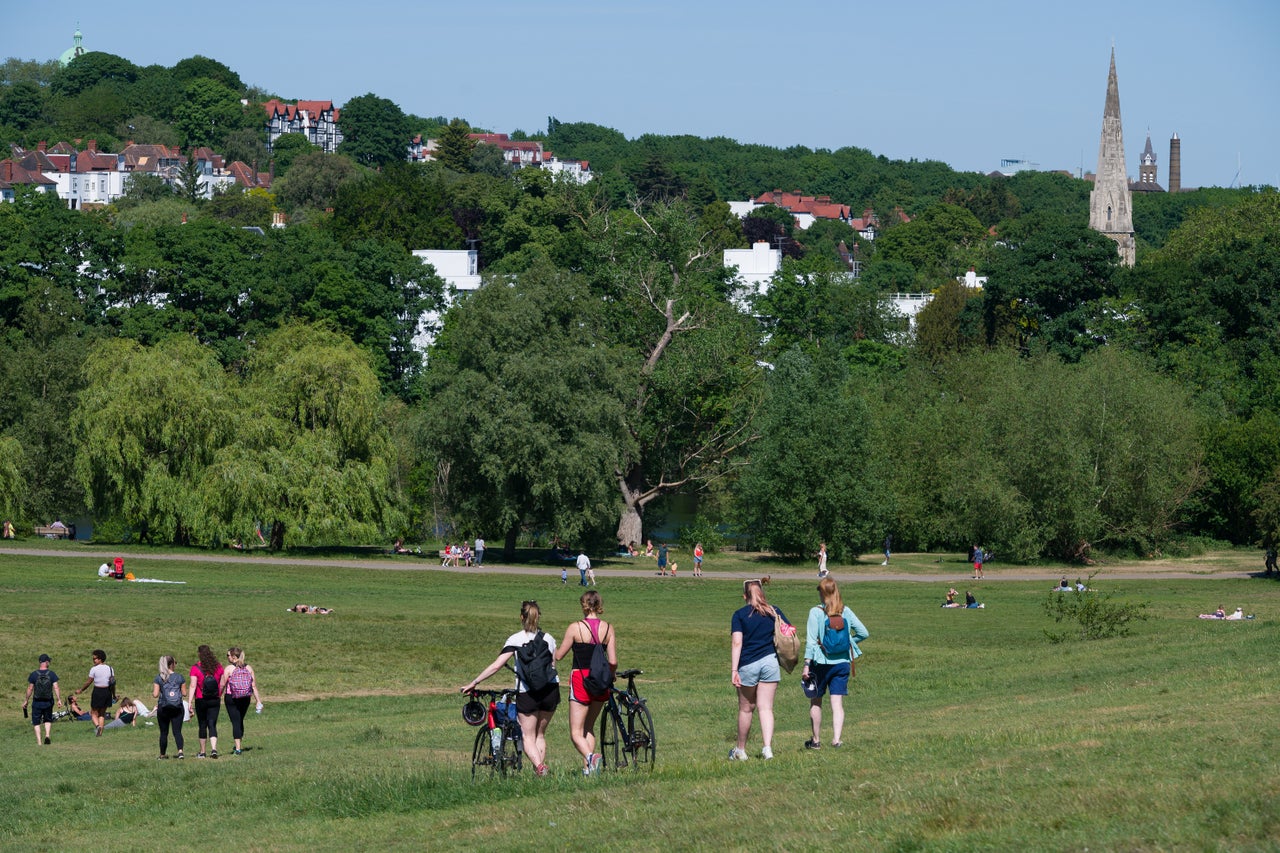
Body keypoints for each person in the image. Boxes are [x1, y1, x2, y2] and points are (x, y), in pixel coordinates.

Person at [459, 600, 560, 777]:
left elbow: (496, 666)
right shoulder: (549, 639)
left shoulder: (515, 639)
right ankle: (541, 772)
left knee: (527, 736)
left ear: (521, 617)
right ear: (538, 616)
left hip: (527, 692)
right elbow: (553, 665)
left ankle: (540, 767)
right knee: (540, 735)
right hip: (551, 689)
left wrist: (474, 682)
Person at [554, 590, 618, 776]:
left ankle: (591, 757)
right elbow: (613, 661)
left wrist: (551, 648)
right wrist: (610, 675)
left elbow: (559, 655)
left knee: (576, 732)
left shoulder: (575, 627)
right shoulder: (608, 628)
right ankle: (589, 770)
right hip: (600, 680)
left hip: (581, 679)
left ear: (583, 605)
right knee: (589, 727)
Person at [802, 577, 868, 750]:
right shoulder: (845, 611)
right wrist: (848, 643)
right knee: (837, 703)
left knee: (816, 702)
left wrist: (806, 665)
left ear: (822, 593)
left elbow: (810, 641)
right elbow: (864, 633)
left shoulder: (815, 612)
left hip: (820, 663)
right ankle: (836, 739)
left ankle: (816, 741)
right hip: (842, 663)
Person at [729, 579, 785, 761]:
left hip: (748, 664)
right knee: (766, 708)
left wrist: (734, 670)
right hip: (770, 662)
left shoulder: (739, 615)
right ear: (762, 593)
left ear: (745, 596)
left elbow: (737, 642)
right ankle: (767, 748)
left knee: (746, 709)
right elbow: (789, 631)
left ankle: (741, 750)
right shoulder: (774, 611)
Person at [220, 647, 263, 755]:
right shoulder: (248, 668)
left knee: (235, 722)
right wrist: (258, 700)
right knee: (239, 720)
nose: (227, 657)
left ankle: (238, 749)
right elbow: (253, 686)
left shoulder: (229, 669)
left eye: (228, 655)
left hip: (231, 697)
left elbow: (222, 684)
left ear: (233, 657)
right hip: (245, 698)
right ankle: (239, 743)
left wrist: (218, 696)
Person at [190, 644, 224, 758]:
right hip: (215, 699)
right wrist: (219, 693)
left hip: (201, 699)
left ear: (199, 654)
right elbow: (223, 682)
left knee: (202, 725)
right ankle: (214, 749)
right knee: (212, 724)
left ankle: (203, 751)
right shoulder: (218, 667)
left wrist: (189, 701)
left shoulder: (195, 668)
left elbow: (193, 685)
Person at [72, 649, 114, 736]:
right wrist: (113, 694)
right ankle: (100, 733)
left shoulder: (94, 669)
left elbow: (88, 682)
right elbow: (113, 683)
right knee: (102, 713)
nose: (93, 660)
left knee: (94, 713)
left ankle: (98, 726)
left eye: (95, 658)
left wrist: (81, 690)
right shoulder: (110, 669)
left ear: (100, 659)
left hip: (98, 691)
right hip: (107, 692)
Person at [24, 653, 62, 745]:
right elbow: (56, 687)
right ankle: (47, 735)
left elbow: (30, 688)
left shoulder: (34, 674)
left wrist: (26, 700)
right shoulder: (51, 674)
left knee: (36, 722)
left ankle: (39, 742)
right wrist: (59, 699)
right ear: (47, 662)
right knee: (48, 719)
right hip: (48, 701)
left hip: (37, 702)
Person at [153, 655, 186, 759]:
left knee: (164, 732)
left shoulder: (159, 677)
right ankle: (180, 751)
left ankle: (162, 754)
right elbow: (184, 693)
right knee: (177, 731)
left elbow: (155, 694)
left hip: (163, 707)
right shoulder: (180, 677)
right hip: (177, 707)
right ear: (171, 664)